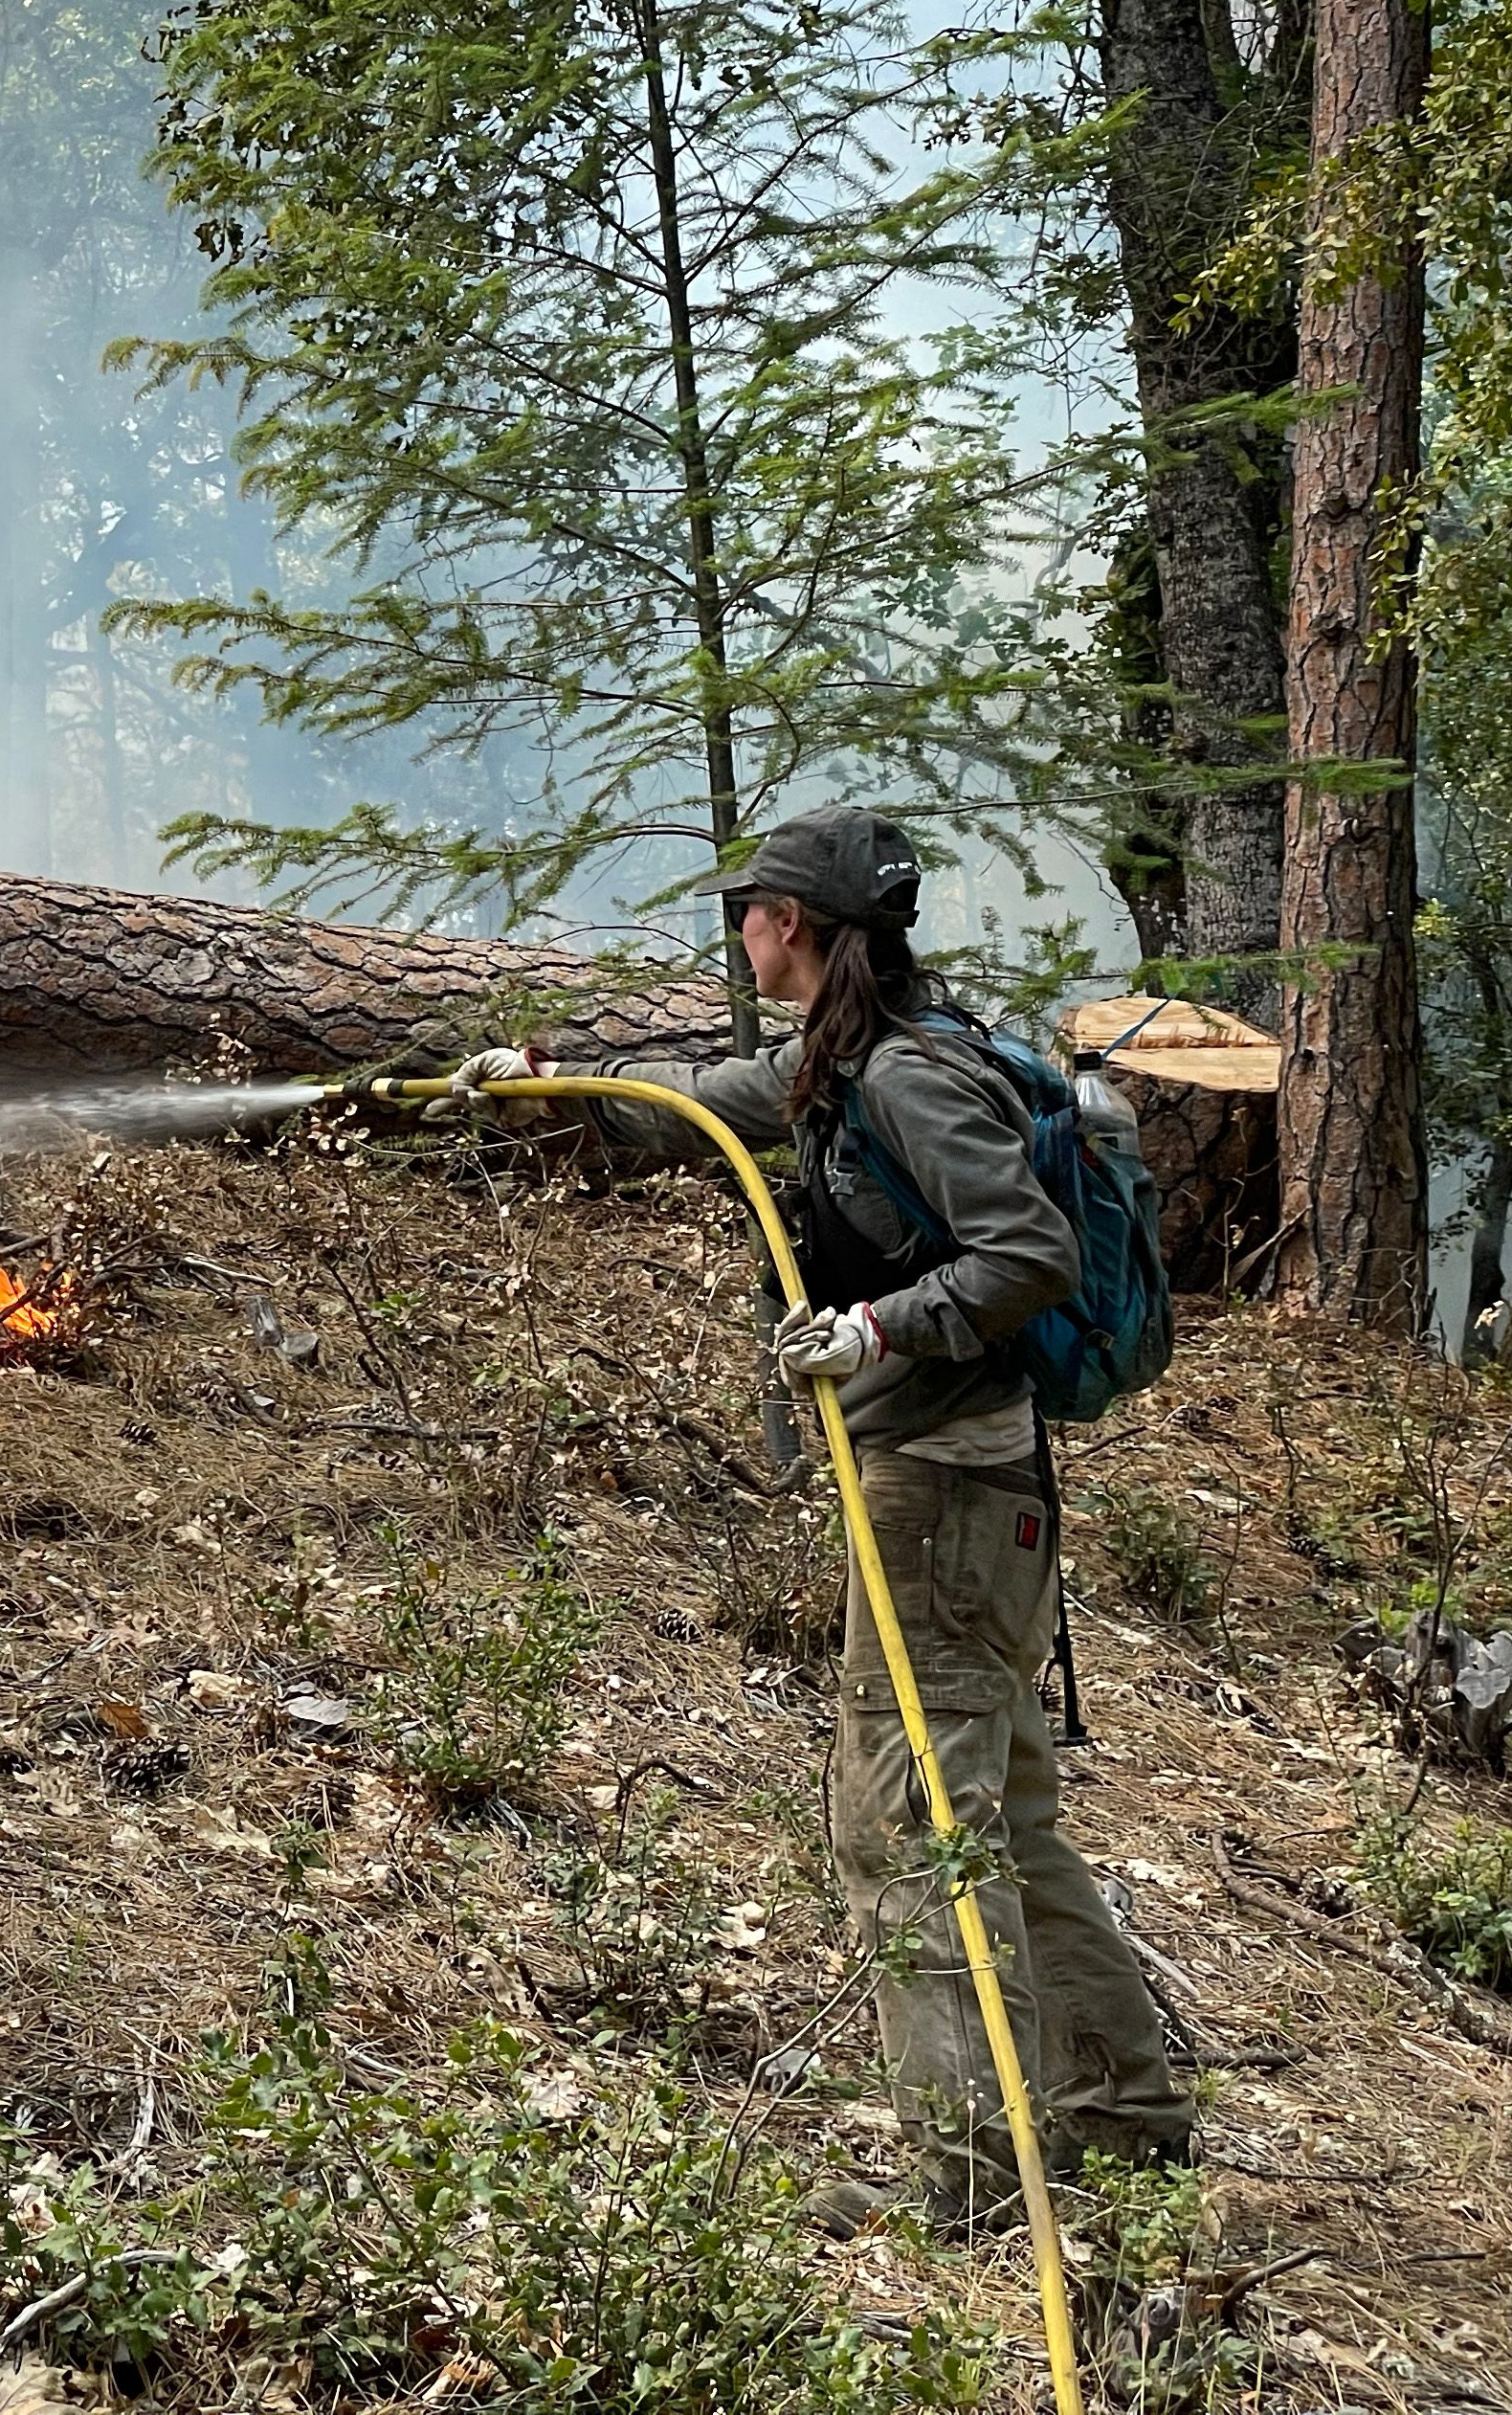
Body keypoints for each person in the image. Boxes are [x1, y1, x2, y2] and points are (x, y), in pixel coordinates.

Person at [444, 804, 1194, 2224]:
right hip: (972, 1502)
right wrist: (551, 1085)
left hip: (947, 1497)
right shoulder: (832, 1063)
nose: (740, 930)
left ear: (791, 924)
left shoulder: (908, 1080)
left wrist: (882, 1334)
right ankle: (1127, 2120)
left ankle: (969, 2188)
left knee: (905, 1828)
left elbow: (1025, 1252)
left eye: (752, 908)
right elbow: (696, 1104)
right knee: (1004, 1824)